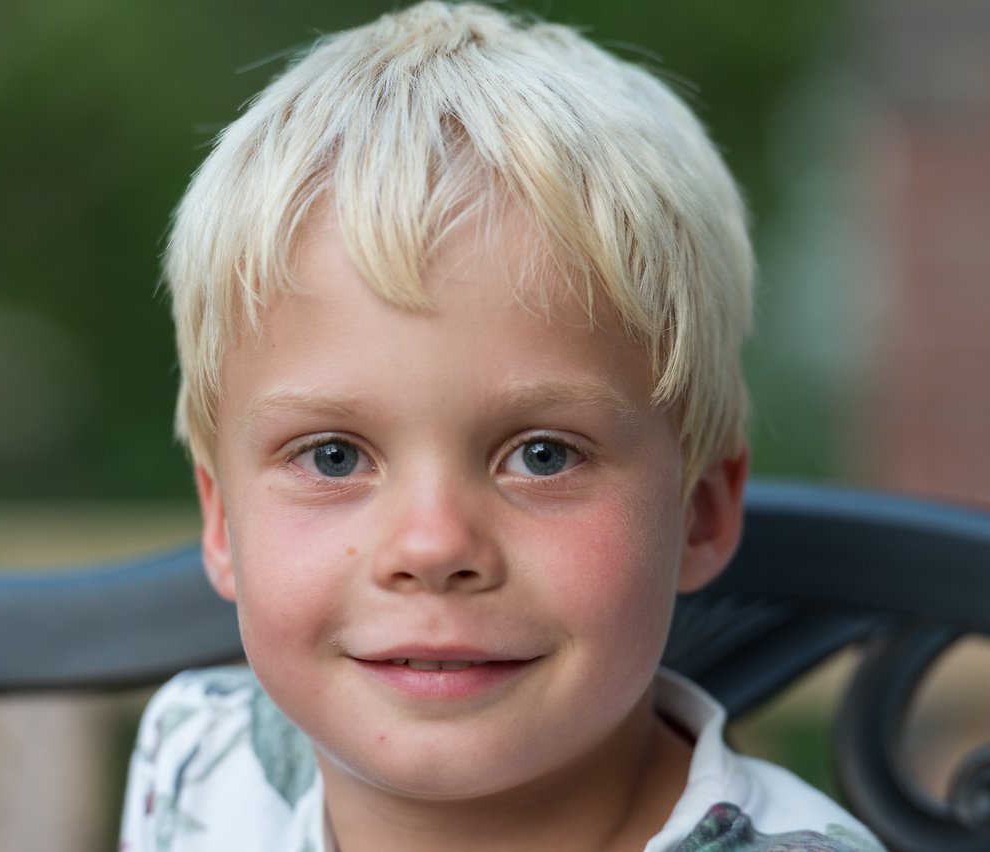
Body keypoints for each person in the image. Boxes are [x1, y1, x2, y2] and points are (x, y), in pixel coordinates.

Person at [120, 3, 883, 850]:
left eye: (543, 454)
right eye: (333, 457)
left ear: (699, 510)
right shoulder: (204, 763)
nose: (434, 546)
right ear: (222, 520)